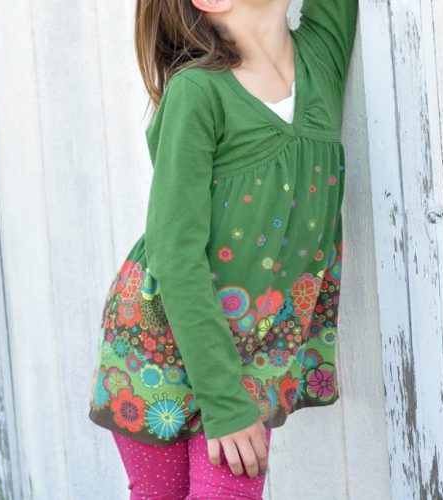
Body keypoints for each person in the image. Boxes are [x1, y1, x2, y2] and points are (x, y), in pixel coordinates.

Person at [86, 0, 358, 496]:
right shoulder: (198, 92)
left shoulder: (321, 56)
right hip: (160, 340)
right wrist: (224, 401)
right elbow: (175, 253)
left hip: (251, 344)